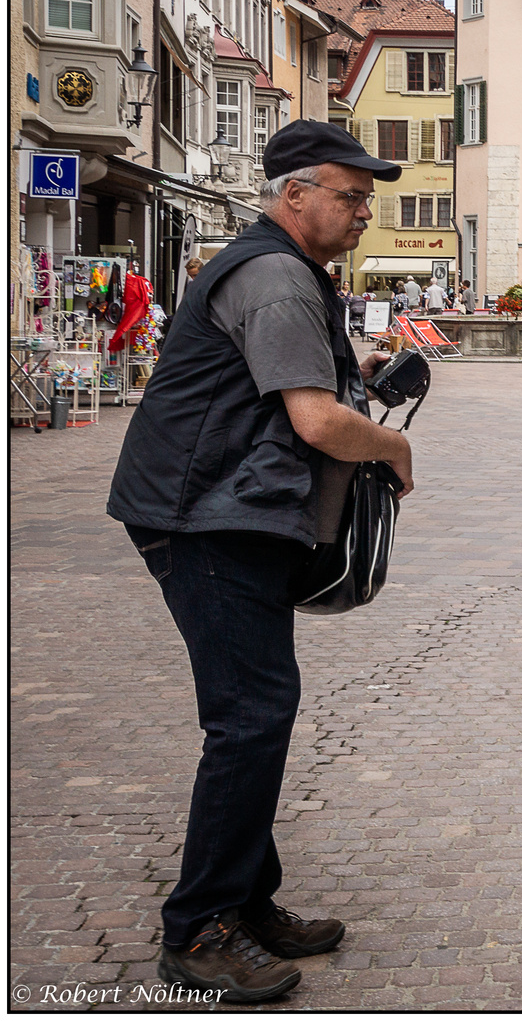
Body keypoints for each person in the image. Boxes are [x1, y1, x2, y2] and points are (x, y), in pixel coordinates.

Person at [105, 119, 416, 1002]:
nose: (363, 212)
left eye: (366, 198)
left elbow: (291, 387)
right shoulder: (276, 275)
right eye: (349, 195)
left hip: (224, 510)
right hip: (203, 515)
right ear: (294, 194)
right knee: (250, 714)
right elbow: (316, 421)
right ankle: (199, 928)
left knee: (255, 708)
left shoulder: (278, 272)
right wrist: (393, 451)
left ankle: (244, 901)